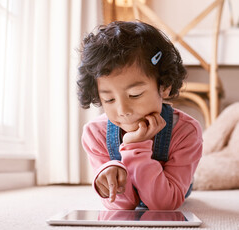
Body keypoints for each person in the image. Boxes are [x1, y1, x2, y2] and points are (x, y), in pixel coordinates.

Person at [77, 21, 203, 210]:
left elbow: (165, 205)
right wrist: (111, 175)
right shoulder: (95, 134)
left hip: (173, 186)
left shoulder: (186, 131)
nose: (123, 110)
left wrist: (135, 148)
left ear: (165, 86)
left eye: (135, 95)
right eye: (109, 100)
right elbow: (123, 206)